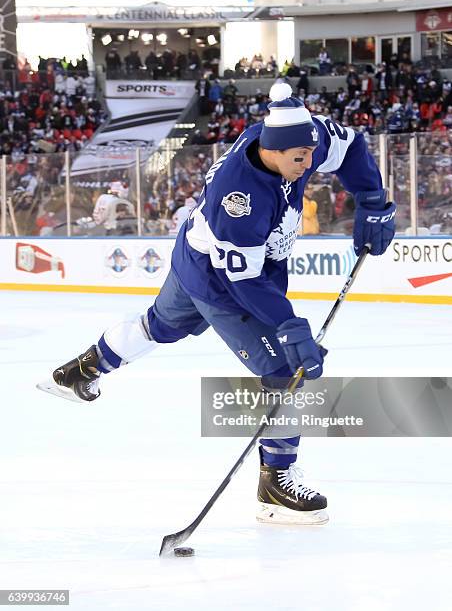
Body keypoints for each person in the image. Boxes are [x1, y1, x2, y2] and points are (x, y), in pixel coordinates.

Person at [41, 83, 396, 526]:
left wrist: (372, 200)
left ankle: (82, 369)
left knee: (159, 326)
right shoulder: (239, 198)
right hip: (219, 280)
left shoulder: (298, 140)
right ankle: (276, 486)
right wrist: (290, 325)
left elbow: (353, 147)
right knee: (286, 371)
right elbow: (244, 280)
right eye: (300, 159)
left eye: (311, 154)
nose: (309, 165)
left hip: (192, 252)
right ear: (273, 152)